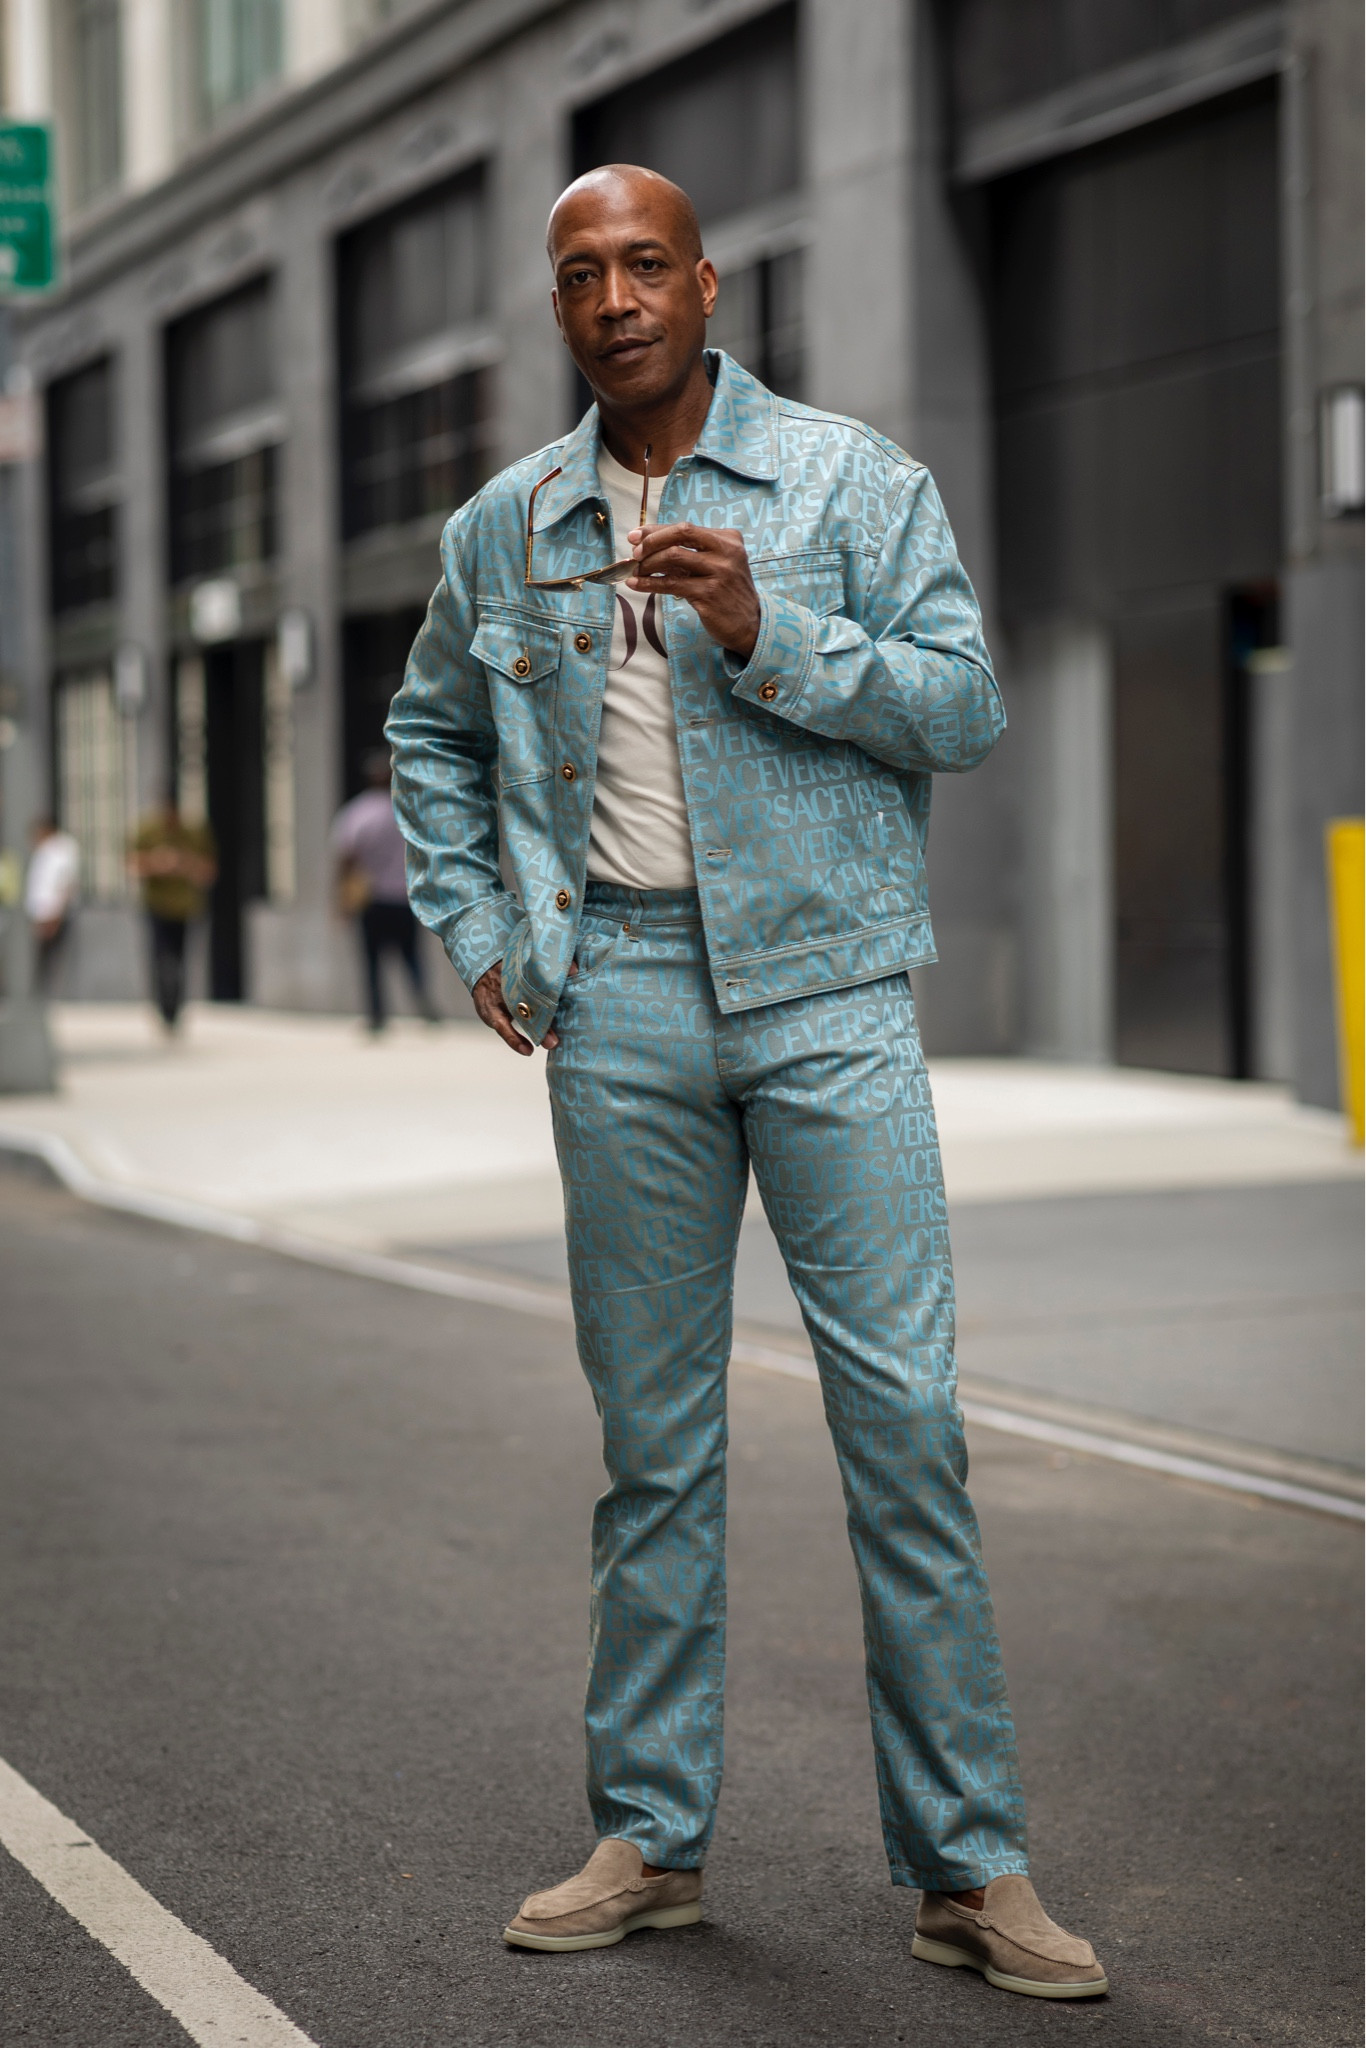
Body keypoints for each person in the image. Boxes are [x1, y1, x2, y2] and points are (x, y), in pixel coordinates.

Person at [387, 165, 1106, 2000]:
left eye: (644, 264)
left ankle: (967, 1863)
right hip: (616, 999)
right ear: (557, 310)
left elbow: (963, 706)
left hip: (830, 992)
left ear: (709, 285)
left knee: (905, 1429)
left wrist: (765, 628)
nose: (614, 297)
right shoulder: (505, 525)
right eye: (579, 275)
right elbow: (429, 735)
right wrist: (482, 928)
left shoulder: (852, 484)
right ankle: (649, 1839)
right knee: (655, 1452)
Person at [331, 748, 440, 1032]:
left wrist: (343, 901)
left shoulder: (357, 812)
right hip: (405, 896)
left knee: (372, 962)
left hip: (372, 898)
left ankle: (377, 1015)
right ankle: (425, 1007)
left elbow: (346, 858)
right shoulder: (408, 810)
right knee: (412, 958)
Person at [128, 801, 217, 1032]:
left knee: (179, 961)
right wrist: (157, 863)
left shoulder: (192, 834)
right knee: (161, 959)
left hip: (184, 908)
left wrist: (184, 863)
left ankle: (176, 1008)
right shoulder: (148, 831)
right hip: (156, 906)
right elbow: (132, 864)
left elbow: (208, 871)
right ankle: (163, 1008)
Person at [24, 816, 80, 994]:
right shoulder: (44, 850)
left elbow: (65, 884)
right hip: (42, 914)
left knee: (53, 960)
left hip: (53, 915)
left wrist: (56, 914)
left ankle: (52, 996)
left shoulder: (63, 849)